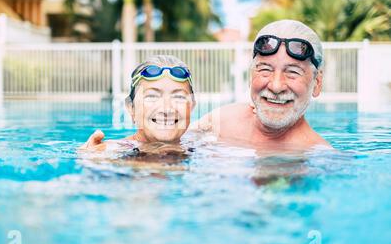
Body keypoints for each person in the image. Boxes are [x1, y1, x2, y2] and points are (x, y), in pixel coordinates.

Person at [84, 19, 332, 151]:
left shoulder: (317, 157)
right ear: (250, 76)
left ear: (317, 83)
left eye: (292, 72)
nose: (276, 85)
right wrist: (114, 150)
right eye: (265, 70)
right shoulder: (224, 119)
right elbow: (163, 139)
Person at [79, 54, 196, 155]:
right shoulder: (111, 152)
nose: (167, 109)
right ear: (131, 108)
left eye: (178, 97)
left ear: (192, 107)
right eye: (152, 96)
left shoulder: (203, 145)